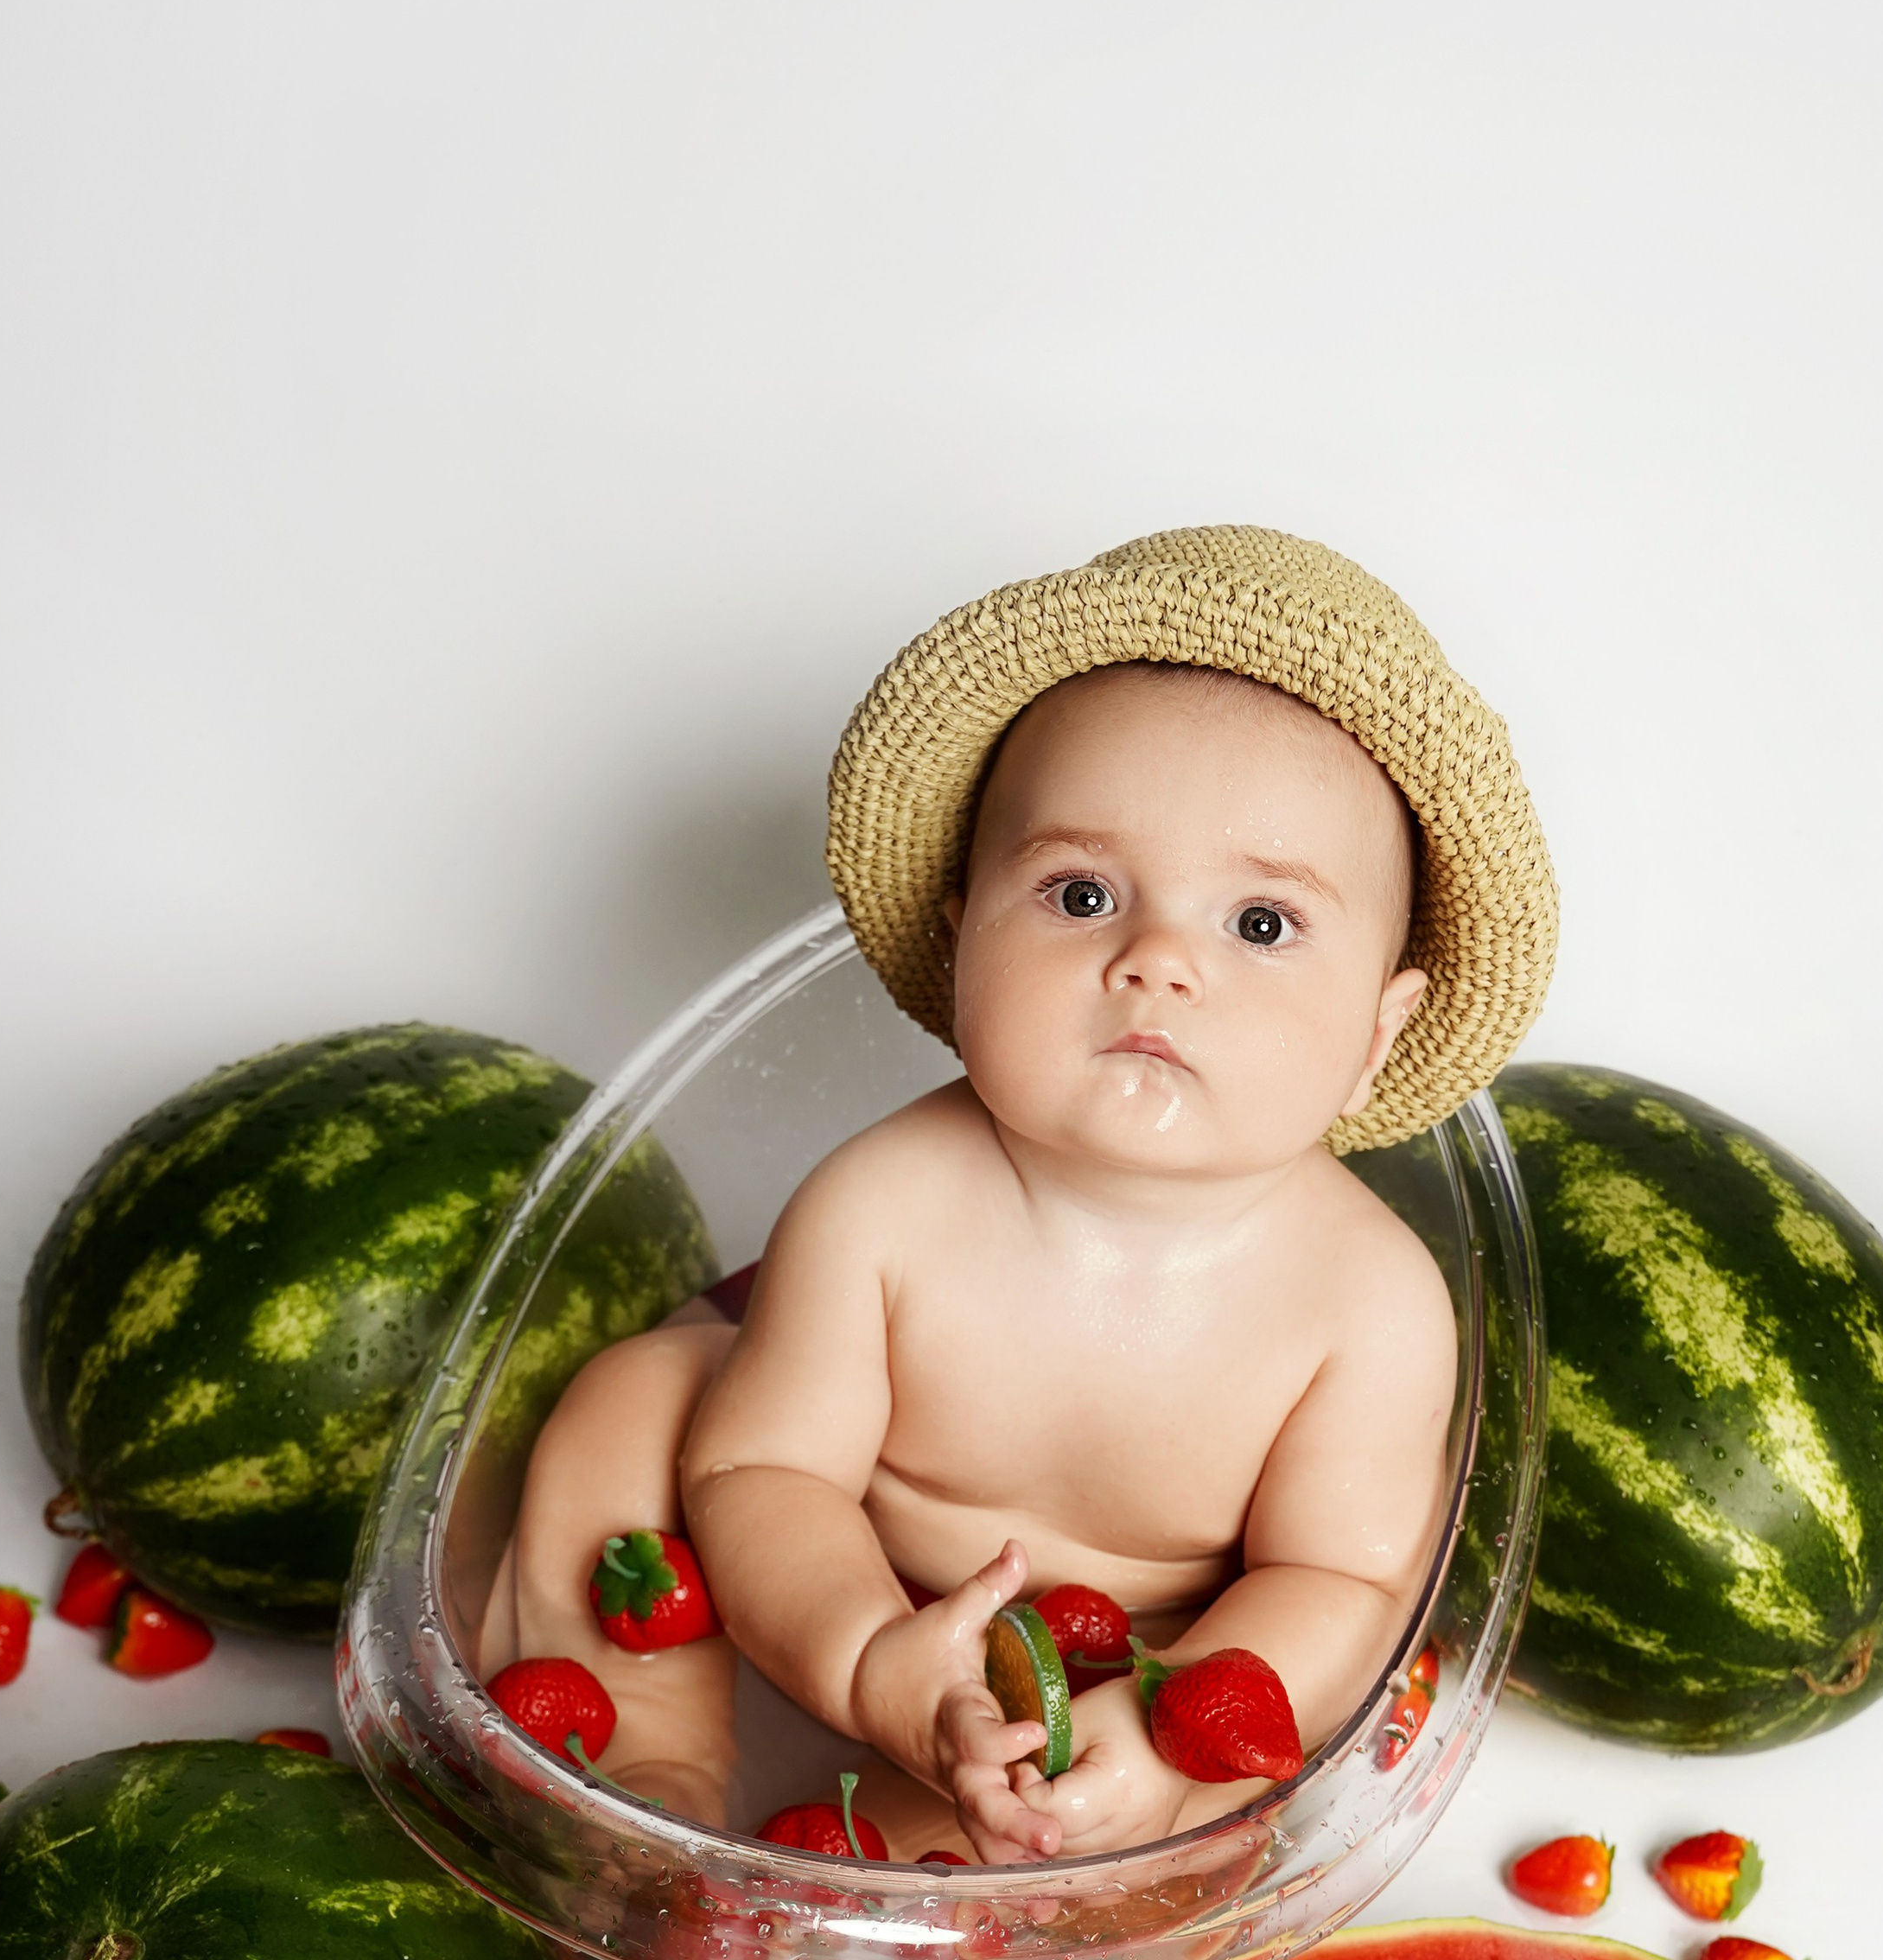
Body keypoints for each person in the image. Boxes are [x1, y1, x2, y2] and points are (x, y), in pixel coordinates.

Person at [483, 525, 1556, 1861]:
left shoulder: (1372, 1302)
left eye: (1262, 924)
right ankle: (644, 1762)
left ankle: (1050, 1871)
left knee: (1233, 1780)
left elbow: (1341, 1581)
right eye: (1082, 892)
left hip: (1155, 1672)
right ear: (960, 939)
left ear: (1380, 1037)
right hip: (828, 1593)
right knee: (636, 1404)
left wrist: (1163, 1752)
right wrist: (869, 1654)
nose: (1157, 959)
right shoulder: (880, 1205)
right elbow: (765, 1469)